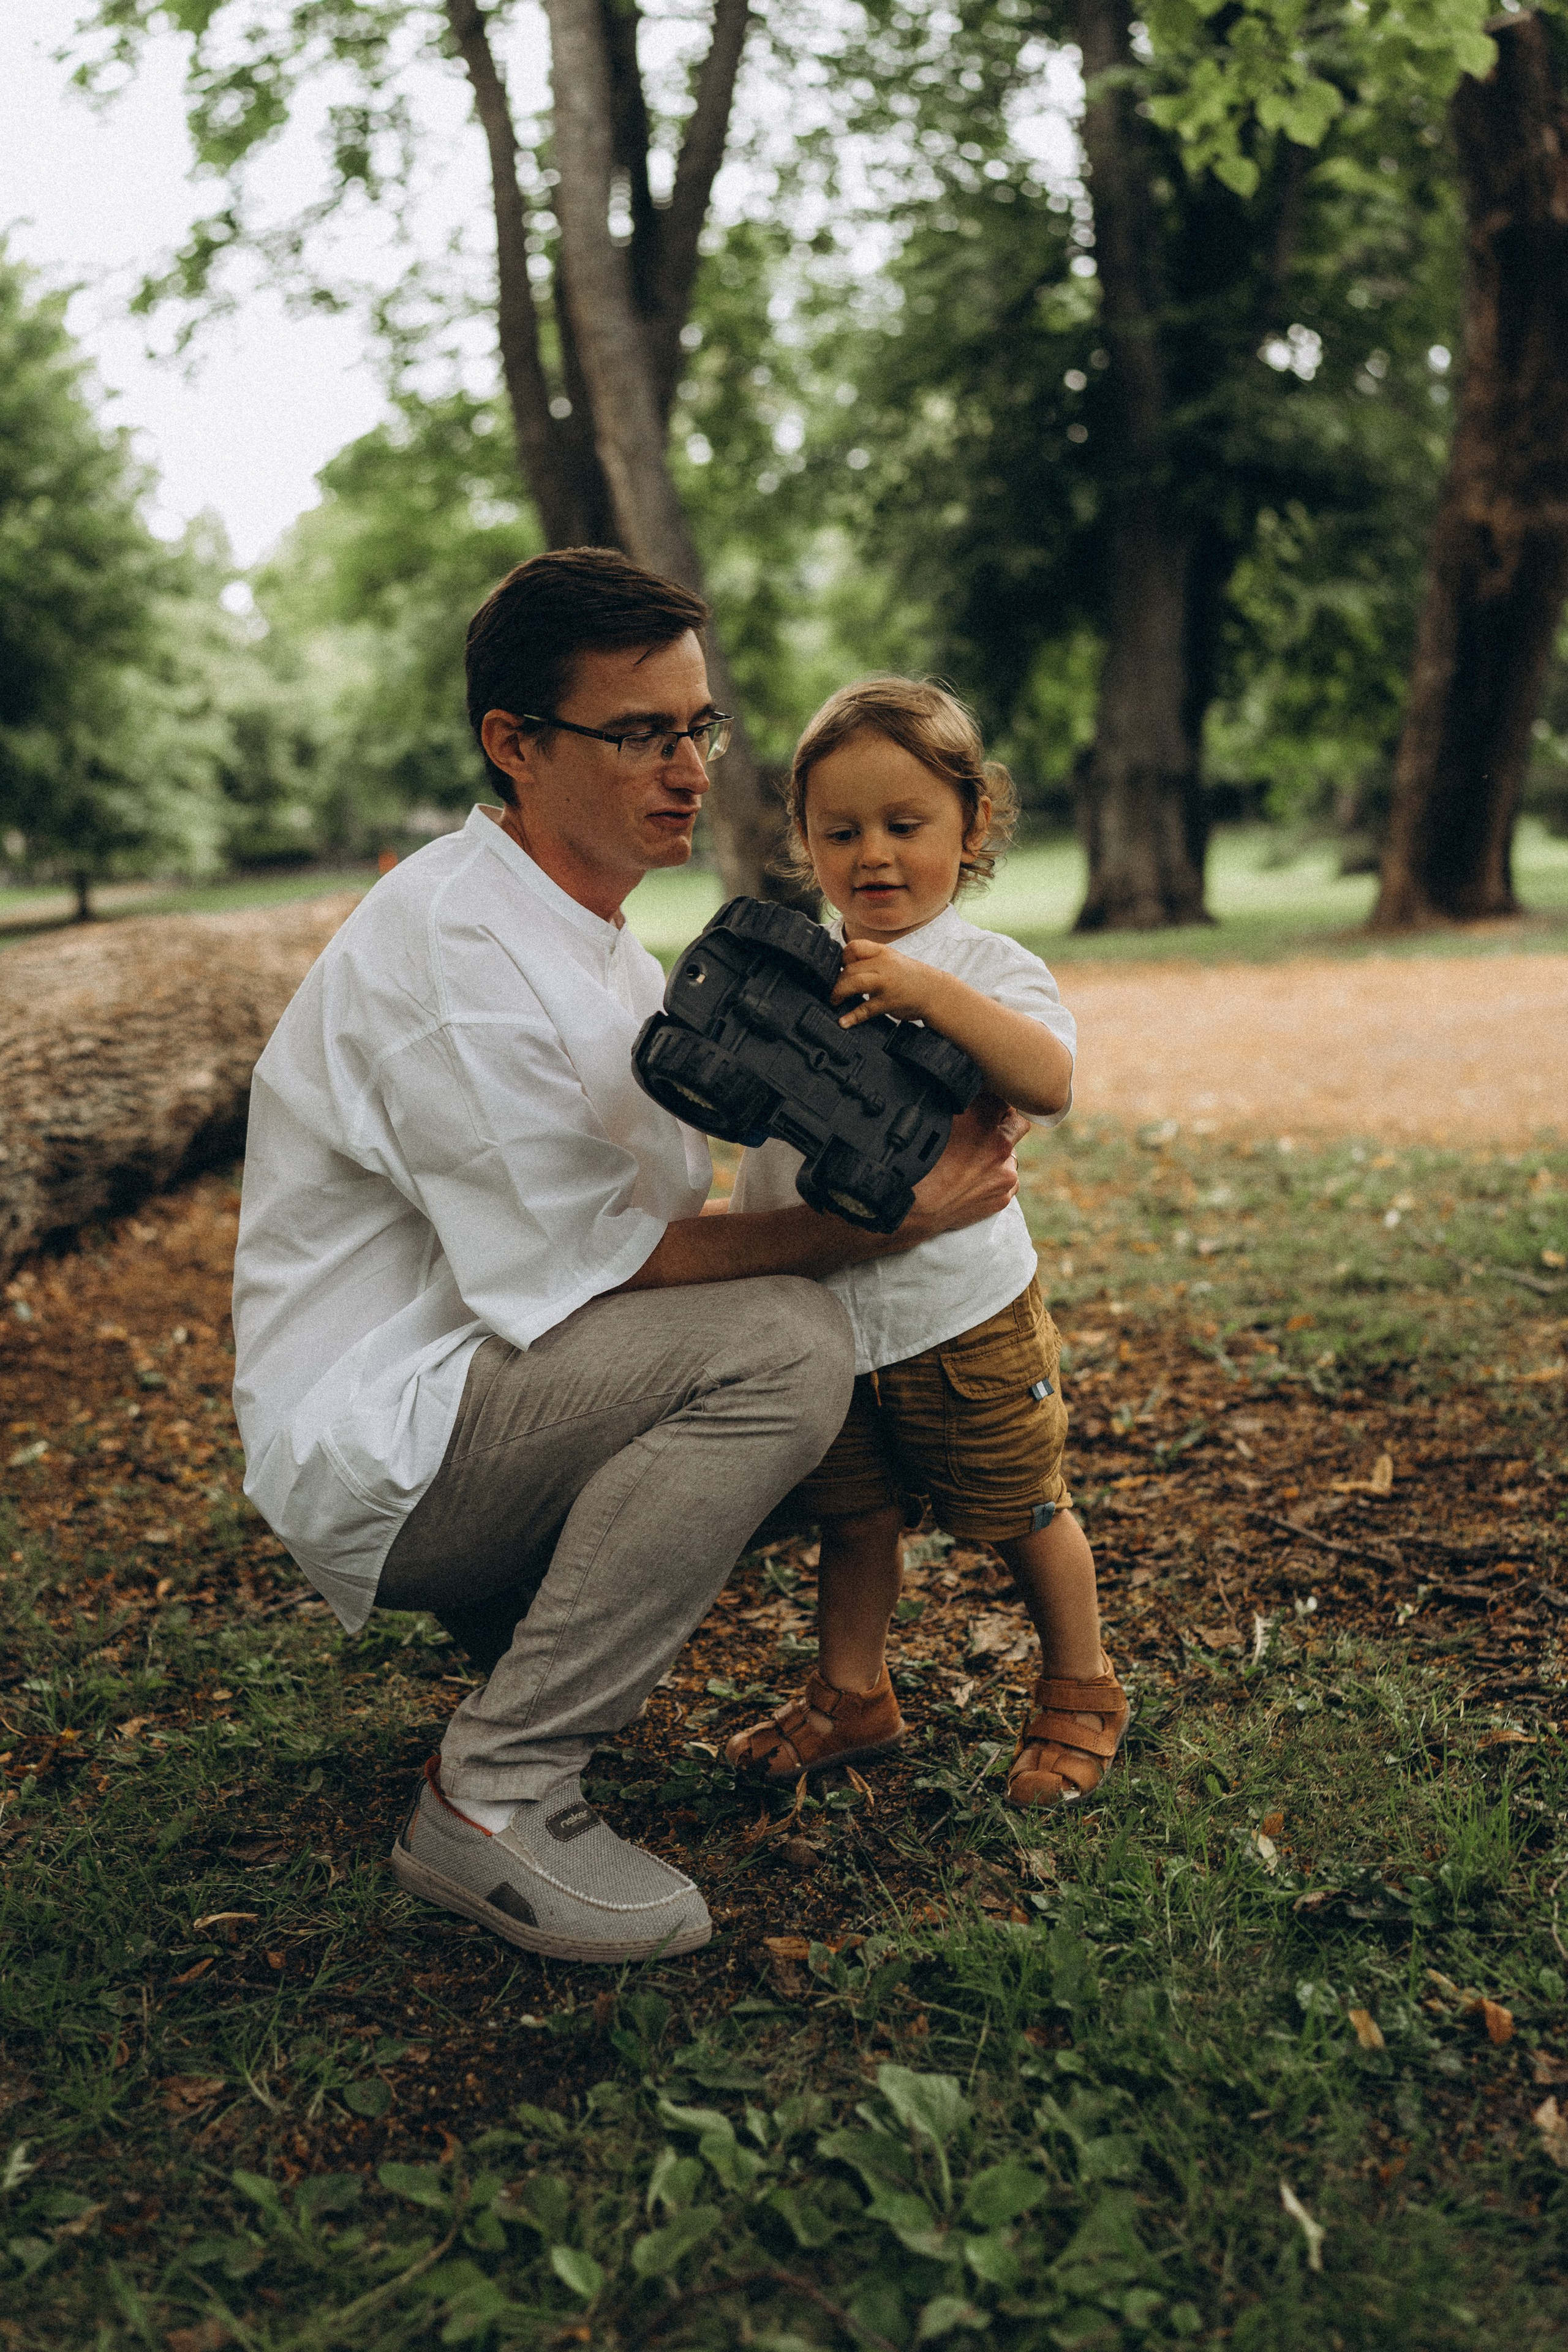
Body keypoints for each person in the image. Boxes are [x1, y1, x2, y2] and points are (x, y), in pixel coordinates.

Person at [230, 554, 1022, 1966]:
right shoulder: (456, 949)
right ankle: (493, 1796)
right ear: (514, 746)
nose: (686, 769)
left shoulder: (594, 939)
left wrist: (879, 1124)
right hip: (389, 1443)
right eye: (638, 734)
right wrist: (878, 1223)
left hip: (485, 1382)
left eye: (697, 728)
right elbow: (598, 1269)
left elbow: (654, 1202)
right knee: (788, 1347)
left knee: (840, 1358)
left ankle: (517, 1651)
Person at [723, 677, 1128, 1808]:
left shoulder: (987, 968)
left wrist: (929, 995)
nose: (876, 856)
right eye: (840, 830)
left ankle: (1082, 1687)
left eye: (907, 826)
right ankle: (852, 1696)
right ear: (802, 840)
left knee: (1019, 1507)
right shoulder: (797, 965)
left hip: (964, 1316)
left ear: (973, 824)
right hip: (827, 1322)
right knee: (851, 1517)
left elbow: (1048, 1080)